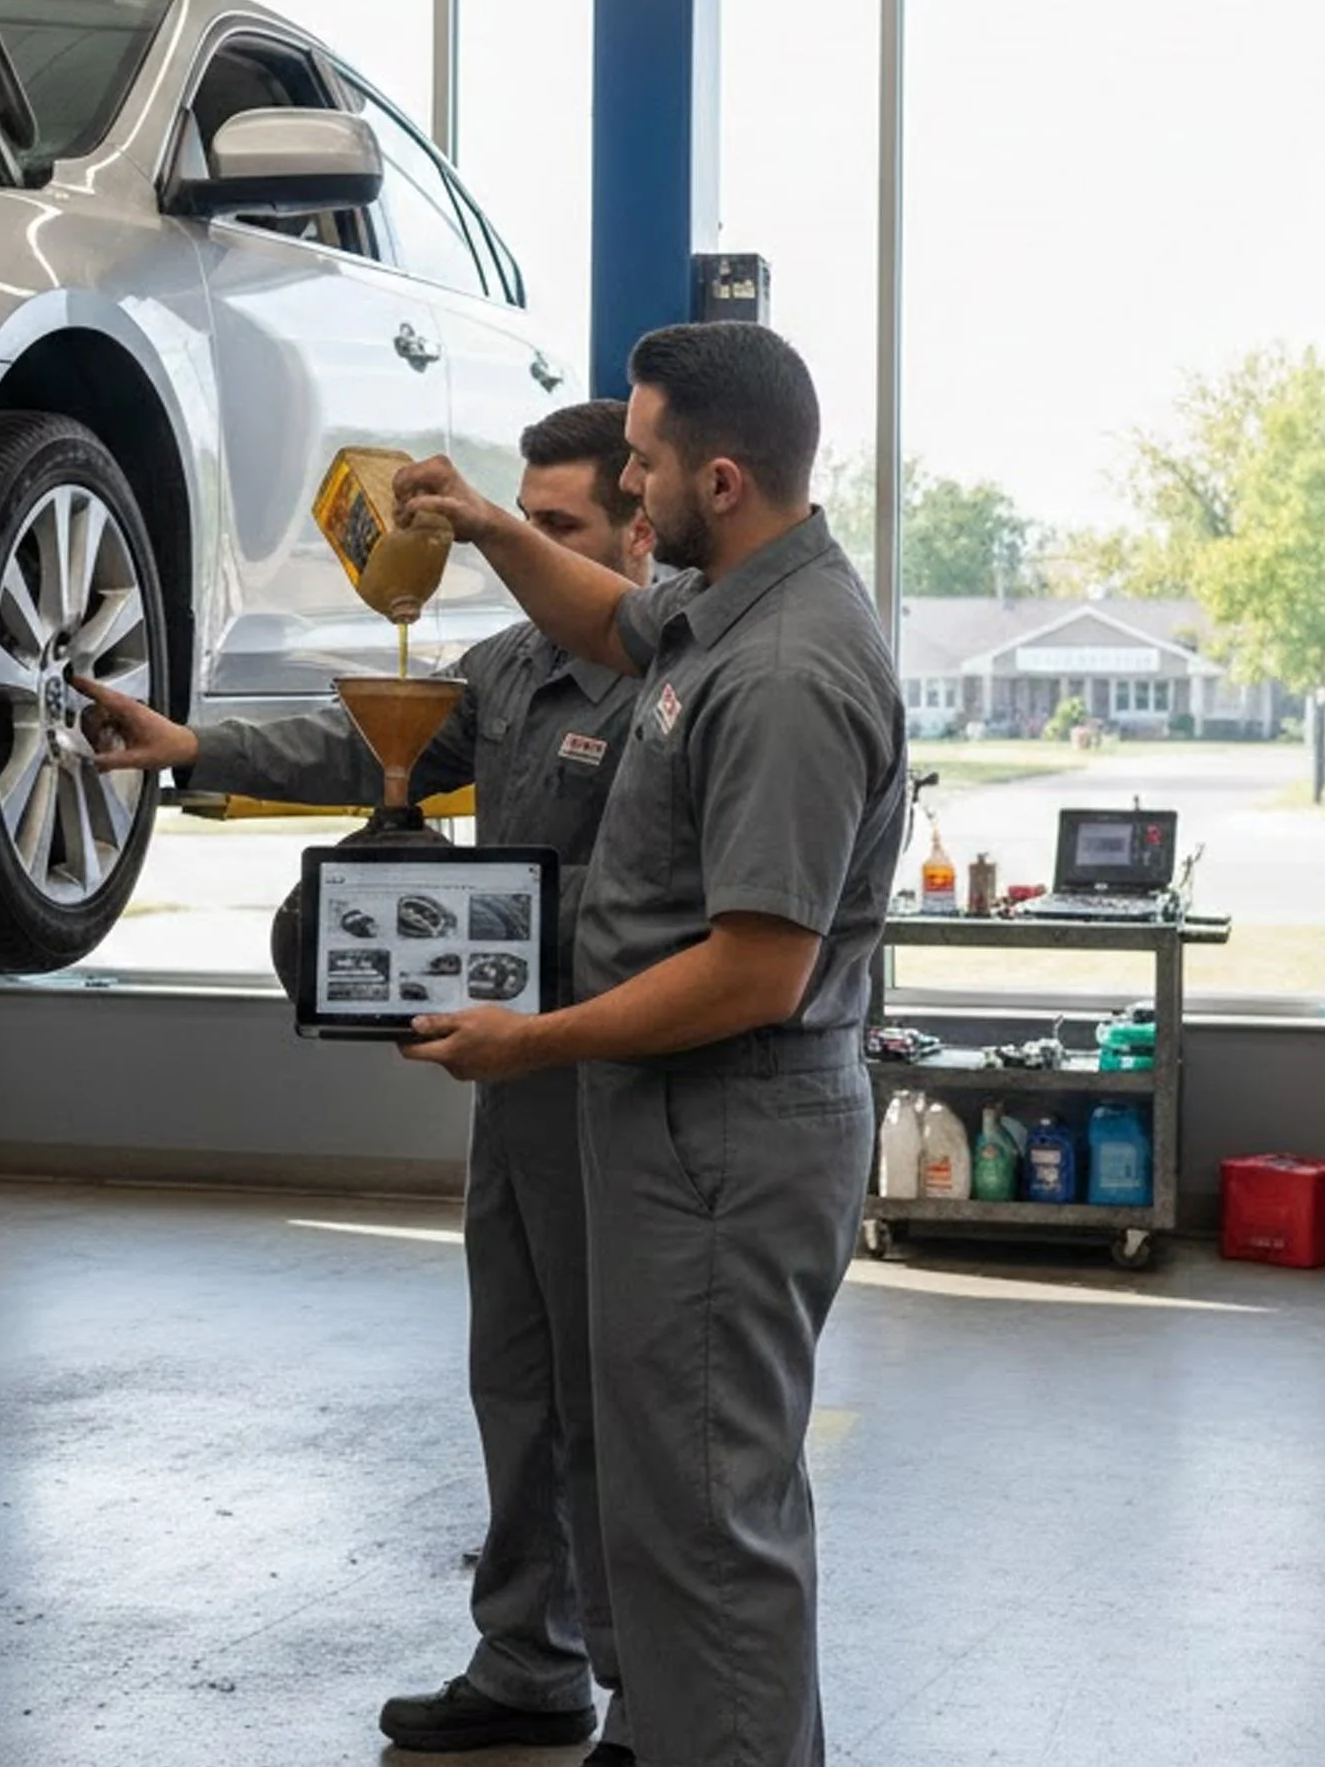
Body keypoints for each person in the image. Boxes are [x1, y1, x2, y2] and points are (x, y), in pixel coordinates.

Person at [78, 401, 652, 1763]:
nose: (521, 550)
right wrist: (195, 745)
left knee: (606, 1397)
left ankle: (650, 1691)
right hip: (507, 1084)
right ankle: (529, 1660)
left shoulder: (672, 681)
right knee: (513, 1380)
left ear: (636, 530)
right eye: (519, 520)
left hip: (618, 1090)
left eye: (551, 528)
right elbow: (373, 744)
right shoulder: (509, 669)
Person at [388, 323, 908, 1767]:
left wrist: (534, 1039)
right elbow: (606, 623)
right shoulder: (720, 606)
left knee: (708, 1513)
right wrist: (492, 527)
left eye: (643, 459)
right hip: (675, 1127)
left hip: (729, 1133)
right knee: (667, 1502)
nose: (625, 482)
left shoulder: (793, 669)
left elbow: (757, 967)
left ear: (721, 478)